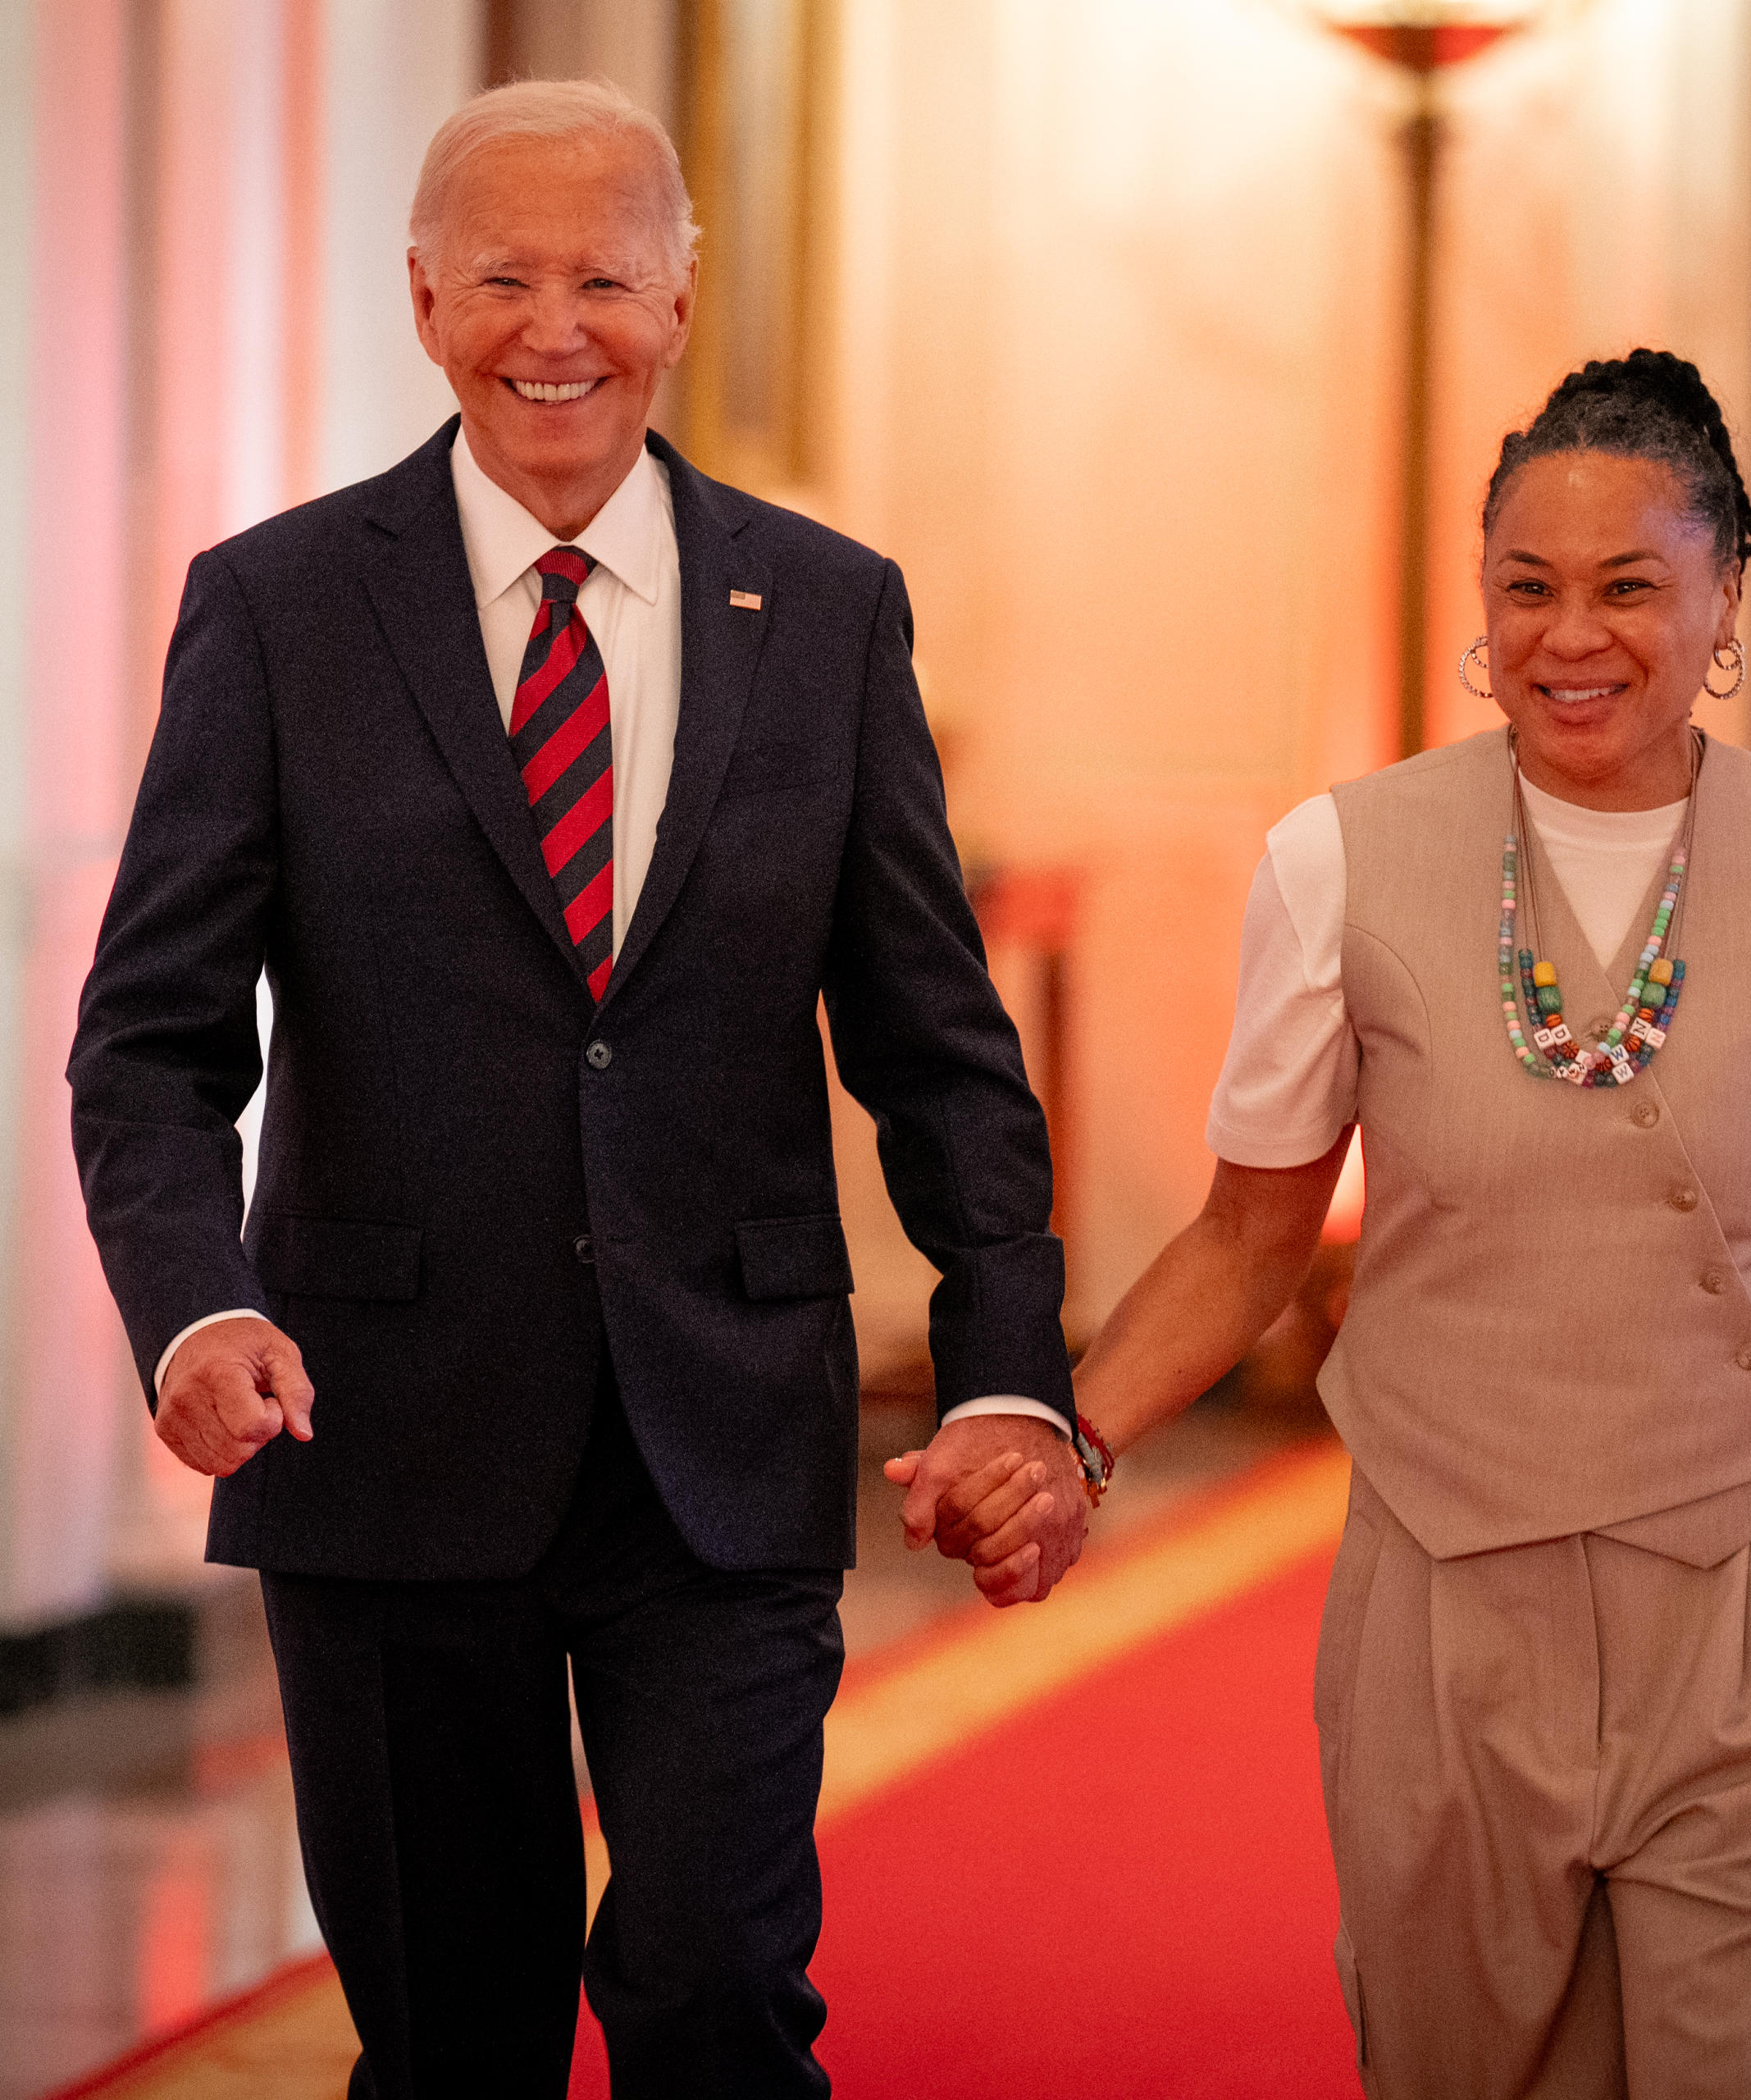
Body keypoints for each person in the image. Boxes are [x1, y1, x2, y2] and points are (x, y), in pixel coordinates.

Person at [69, 79, 1090, 2098]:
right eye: (507, 279)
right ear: (426, 302)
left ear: (684, 298)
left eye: (607, 276)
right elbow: (153, 1035)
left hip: (722, 1435)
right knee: (457, 2037)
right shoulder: (275, 609)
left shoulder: (825, 611)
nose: (559, 326)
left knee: (717, 1986)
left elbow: (937, 1043)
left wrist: (1005, 1368)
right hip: (376, 1434)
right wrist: (193, 1302)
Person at [918, 350, 1751, 2095]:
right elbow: (1252, 1236)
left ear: (1725, 594)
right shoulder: (1340, 864)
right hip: (1443, 1613)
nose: (1572, 634)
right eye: (1528, 587)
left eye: (1631, 585)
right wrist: (1071, 1437)